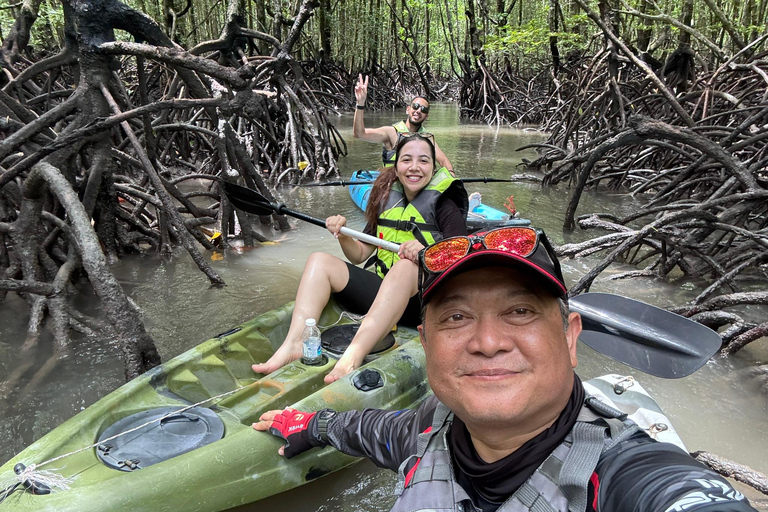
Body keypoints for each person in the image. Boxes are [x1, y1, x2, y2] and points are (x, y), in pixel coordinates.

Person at [254, 226, 756, 512]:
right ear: (426, 343)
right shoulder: (429, 429)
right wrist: (313, 425)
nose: (488, 342)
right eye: (456, 316)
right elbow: (377, 431)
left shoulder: (625, 476)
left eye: (519, 311)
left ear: (570, 337)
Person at [252, 133, 468, 384]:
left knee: (406, 267)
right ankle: (295, 342)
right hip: (383, 297)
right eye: (407, 160)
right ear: (396, 168)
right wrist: (342, 234)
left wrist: (425, 252)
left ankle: (351, 358)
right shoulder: (387, 199)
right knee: (319, 260)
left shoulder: (445, 205)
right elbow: (360, 254)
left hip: (424, 303)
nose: (414, 168)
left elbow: (461, 257)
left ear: (433, 167)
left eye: (423, 161)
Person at [353, 74, 454, 172]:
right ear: (408, 110)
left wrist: (452, 177)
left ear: (426, 116)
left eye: (423, 109)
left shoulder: (427, 138)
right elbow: (359, 134)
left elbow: (444, 162)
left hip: (415, 182)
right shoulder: (391, 132)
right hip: (392, 182)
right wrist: (360, 103)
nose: (418, 111)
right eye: (415, 106)